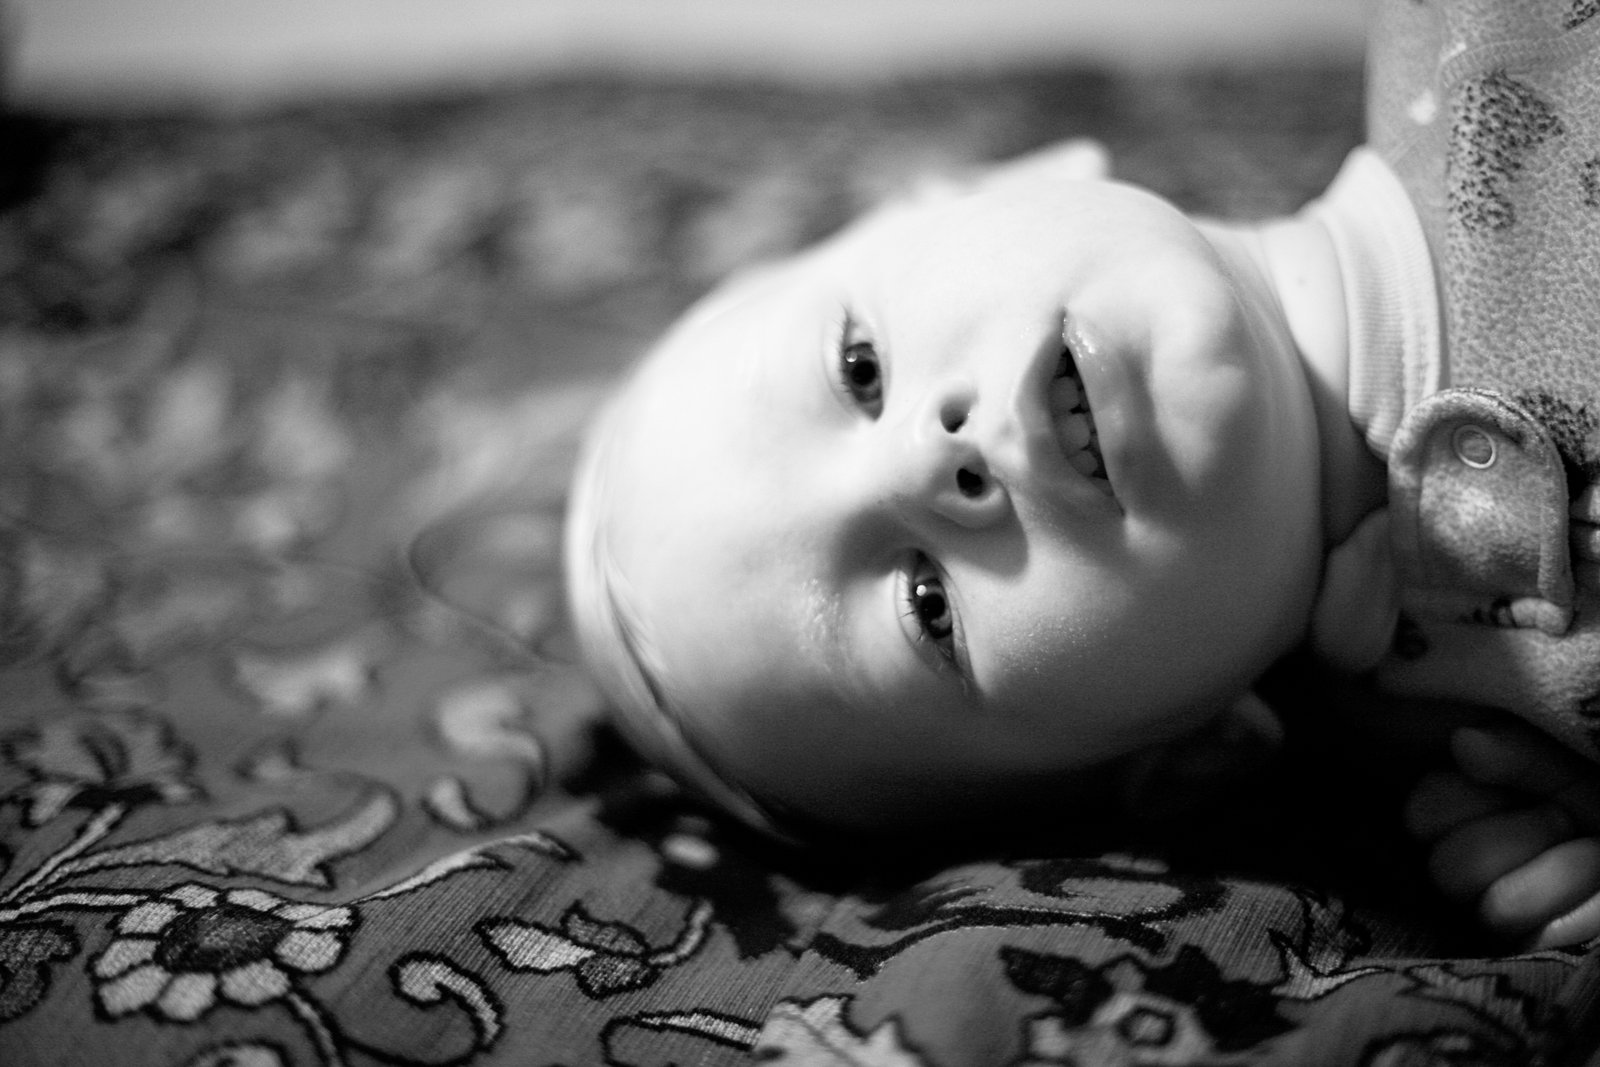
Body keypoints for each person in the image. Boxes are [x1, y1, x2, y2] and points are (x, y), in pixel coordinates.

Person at [563, 3, 1600, 947]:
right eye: (927, 605)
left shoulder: (1483, 29)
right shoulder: (1494, 752)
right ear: (1191, 758)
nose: (928, 458)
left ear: (1008, 178)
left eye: (861, 368)